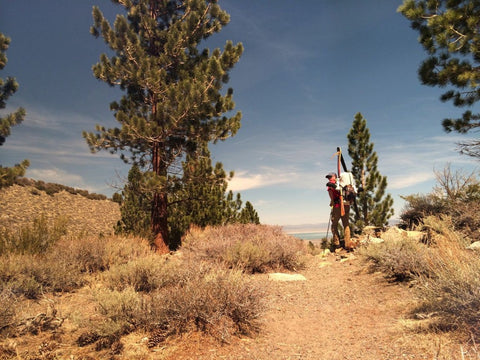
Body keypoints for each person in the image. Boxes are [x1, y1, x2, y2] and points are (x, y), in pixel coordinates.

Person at [326, 172, 352, 251]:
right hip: (346, 205)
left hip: (337, 206)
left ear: (335, 177)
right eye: (328, 177)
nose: (329, 179)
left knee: (334, 225)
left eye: (330, 177)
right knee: (346, 224)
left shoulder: (332, 184)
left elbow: (331, 194)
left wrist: (332, 201)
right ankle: (348, 244)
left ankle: (337, 245)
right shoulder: (343, 184)